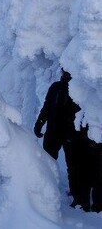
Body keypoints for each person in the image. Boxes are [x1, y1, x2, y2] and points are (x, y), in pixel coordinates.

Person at [33, 69, 84, 208]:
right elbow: (46, 106)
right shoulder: (55, 86)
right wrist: (39, 123)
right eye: (63, 72)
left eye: (67, 72)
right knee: (47, 161)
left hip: (71, 134)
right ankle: (47, 190)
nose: (64, 74)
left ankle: (77, 196)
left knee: (73, 166)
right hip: (52, 131)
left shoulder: (79, 89)